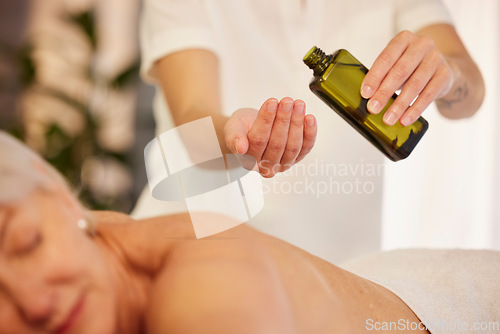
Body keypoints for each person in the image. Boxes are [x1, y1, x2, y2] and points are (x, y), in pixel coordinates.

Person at [1, 133, 499, 334]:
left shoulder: (207, 286)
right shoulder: (92, 244)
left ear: (63, 196)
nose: (34, 303)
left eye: (28, 242)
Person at [134, 0, 485, 264]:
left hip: (341, 264)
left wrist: (448, 74)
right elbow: (193, 114)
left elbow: (471, 94)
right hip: (205, 251)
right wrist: (236, 135)